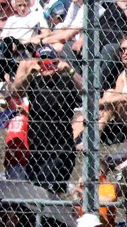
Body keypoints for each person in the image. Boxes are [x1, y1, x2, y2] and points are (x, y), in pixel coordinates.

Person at [20, 46, 81, 194]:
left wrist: (70, 70)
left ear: (57, 62)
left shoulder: (66, 80)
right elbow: (15, 92)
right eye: (43, 61)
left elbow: (87, 91)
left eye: (50, 61)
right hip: (37, 146)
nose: (47, 65)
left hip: (61, 146)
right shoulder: (34, 81)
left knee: (52, 189)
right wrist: (29, 74)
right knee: (34, 189)